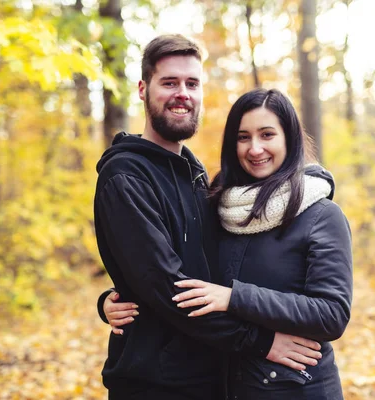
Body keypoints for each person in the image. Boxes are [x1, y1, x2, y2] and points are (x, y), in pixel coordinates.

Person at [94, 34, 323, 400]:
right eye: (169, 82)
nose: (182, 93)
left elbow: (229, 255)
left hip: (216, 374)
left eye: (192, 83)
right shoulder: (125, 176)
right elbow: (167, 286)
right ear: (142, 88)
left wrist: (313, 182)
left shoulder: (195, 173)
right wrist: (262, 341)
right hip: (158, 384)